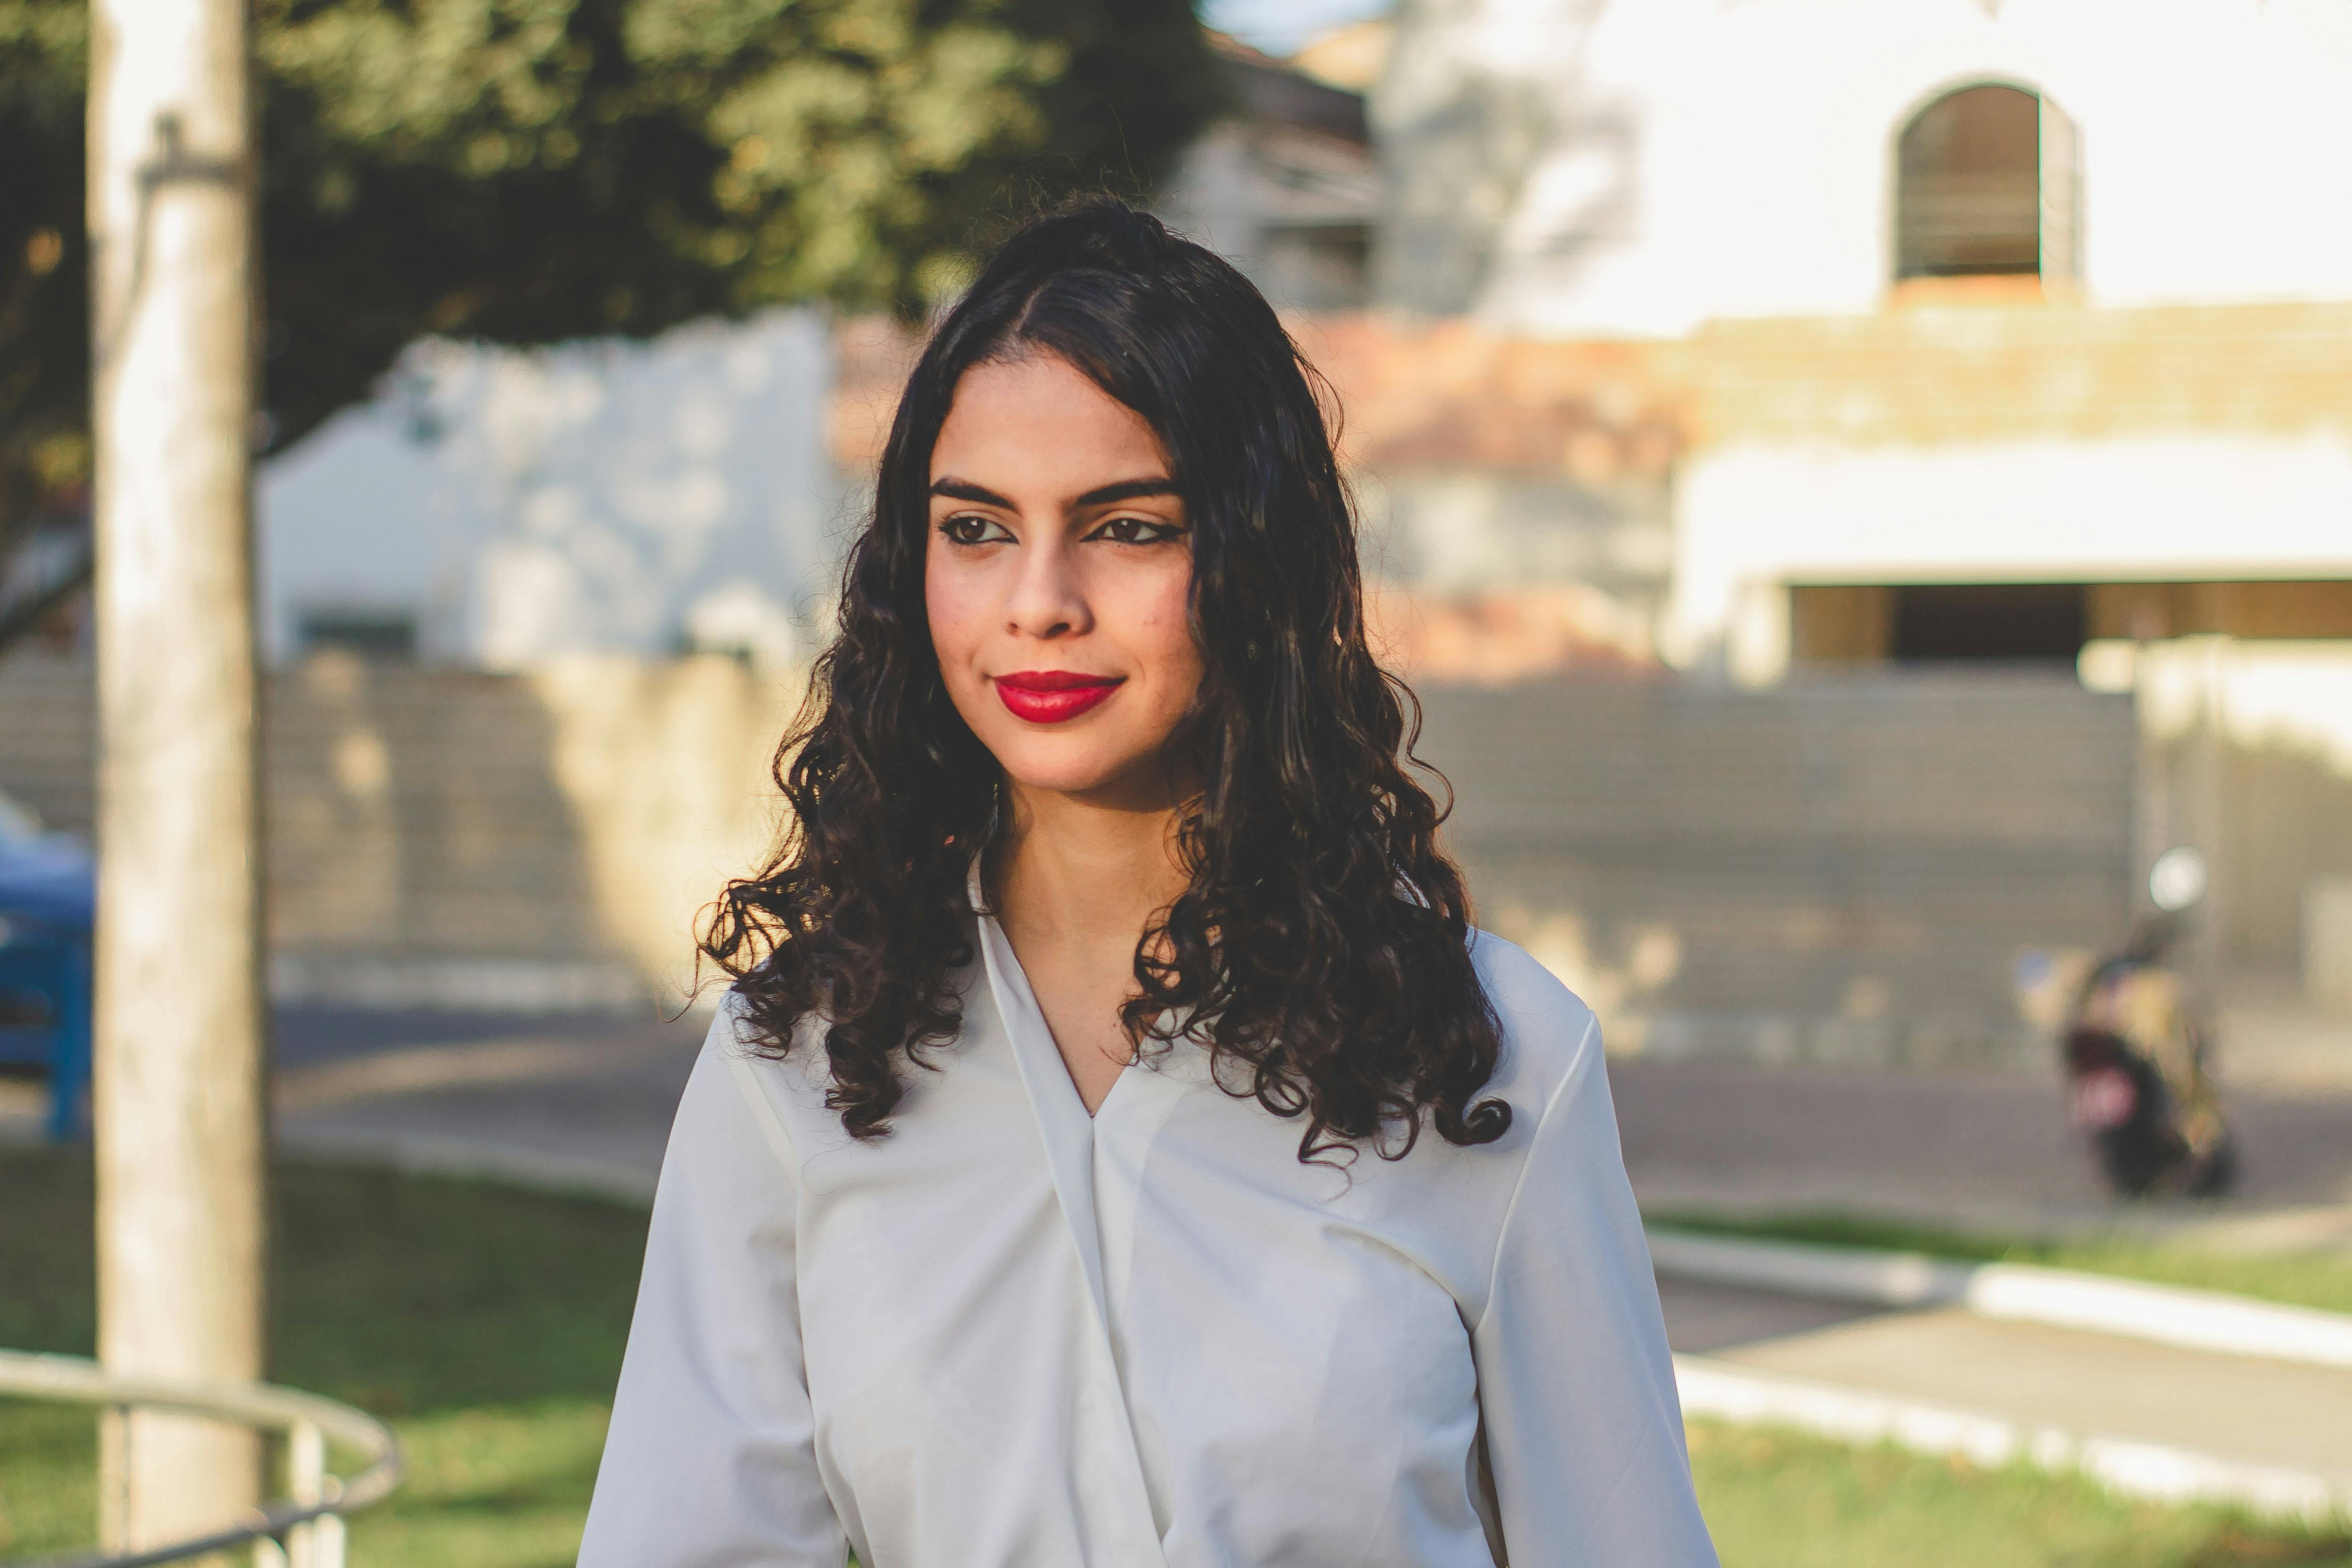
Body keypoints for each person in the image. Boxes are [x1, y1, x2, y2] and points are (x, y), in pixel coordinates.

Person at [578, 199, 1717, 1568]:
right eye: (978, 529)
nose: (1041, 601)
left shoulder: (1494, 1058)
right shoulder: (799, 1062)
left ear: (1254, 561)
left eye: (1125, 528)